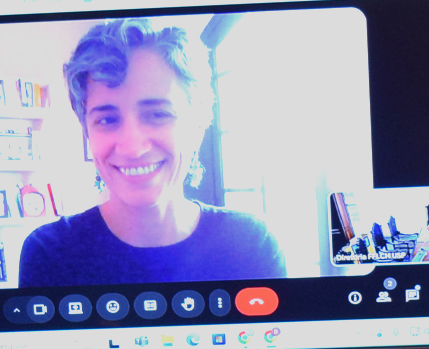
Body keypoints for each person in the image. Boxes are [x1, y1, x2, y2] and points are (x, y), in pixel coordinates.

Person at [18, 19, 284, 288]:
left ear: (199, 122)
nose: (133, 148)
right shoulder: (49, 254)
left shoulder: (252, 246)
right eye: (107, 120)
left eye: (157, 115)